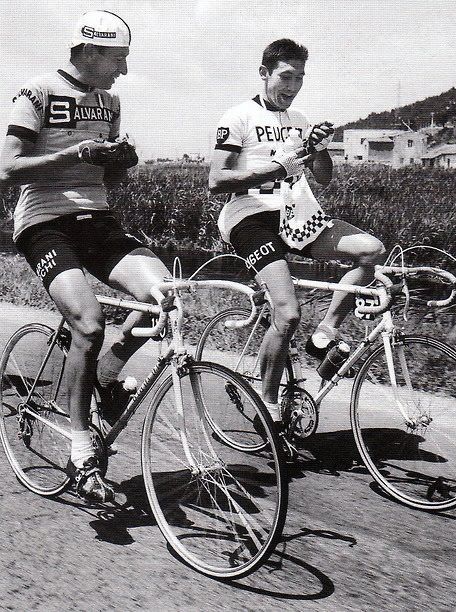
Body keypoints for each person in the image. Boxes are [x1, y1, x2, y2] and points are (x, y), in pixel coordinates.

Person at [0, 11, 171, 502]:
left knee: (165, 299)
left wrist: (120, 163)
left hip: (96, 219)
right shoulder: (37, 92)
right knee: (89, 323)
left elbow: (106, 180)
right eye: (118, 59)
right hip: (43, 223)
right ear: (89, 52)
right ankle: (80, 444)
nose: (122, 70)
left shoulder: (109, 101)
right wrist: (71, 157)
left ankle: (105, 372)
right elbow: (8, 167)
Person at [209, 39, 385, 424]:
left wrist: (318, 147)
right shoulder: (238, 117)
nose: (292, 87)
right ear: (264, 73)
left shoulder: (300, 120)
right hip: (249, 216)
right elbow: (216, 180)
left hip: (296, 214)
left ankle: (324, 333)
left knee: (370, 250)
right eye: (286, 77)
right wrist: (276, 169)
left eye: (300, 78)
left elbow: (323, 179)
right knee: (287, 315)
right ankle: (266, 403)